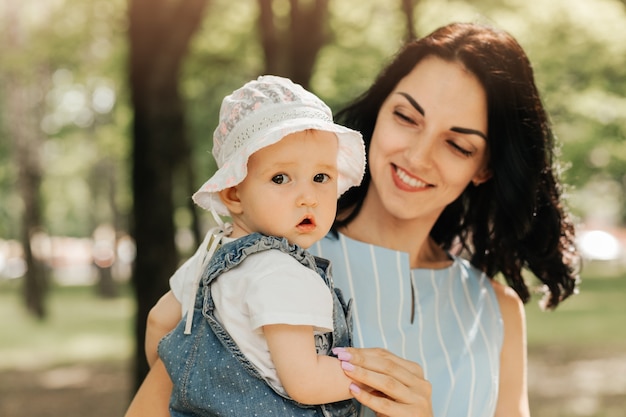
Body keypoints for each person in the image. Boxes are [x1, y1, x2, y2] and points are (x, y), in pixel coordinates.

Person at [127, 22, 580, 417]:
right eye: (406, 117)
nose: (417, 156)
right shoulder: (262, 262)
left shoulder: (497, 311)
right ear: (380, 112)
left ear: (484, 167)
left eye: (457, 145)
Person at [138, 75, 367, 417]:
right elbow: (305, 383)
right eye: (280, 178)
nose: (309, 198)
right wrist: (372, 376)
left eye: (321, 177)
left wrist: (185, 380)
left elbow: (158, 320)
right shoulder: (282, 273)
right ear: (233, 193)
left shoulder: (209, 258)